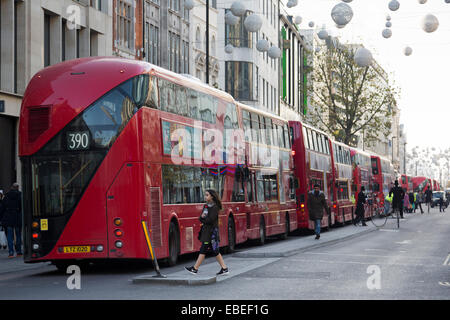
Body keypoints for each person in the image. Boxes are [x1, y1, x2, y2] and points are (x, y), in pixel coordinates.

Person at [185, 189, 228, 276]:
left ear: (212, 196)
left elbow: (210, 220)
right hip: (206, 232)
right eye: (205, 195)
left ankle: (195, 269)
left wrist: (203, 218)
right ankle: (223, 268)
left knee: (209, 250)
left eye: (207, 195)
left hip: (211, 233)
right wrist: (203, 218)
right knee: (208, 249)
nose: (205, 197)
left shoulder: (215, 207)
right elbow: (201, 218)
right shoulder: (206, 206)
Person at [0, 183, 23, 258]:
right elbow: (21, 207)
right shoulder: (20, 195)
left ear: (11, 187)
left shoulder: (6, 196)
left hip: (8, 218)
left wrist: (1, 219)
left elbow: (2, 208)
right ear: (17, 187)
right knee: (18, 235)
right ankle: (19, 252)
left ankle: (11, 252)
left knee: (9, 236)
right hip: (17, 217)